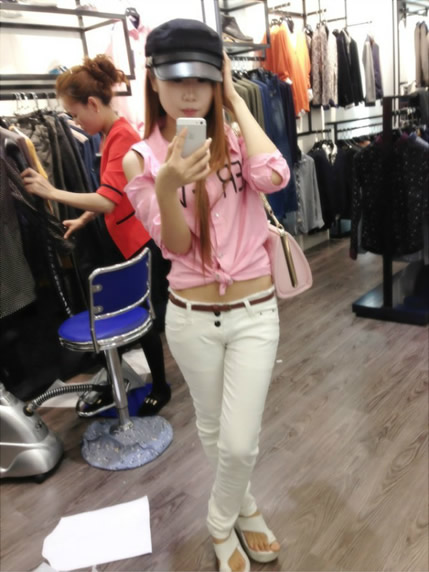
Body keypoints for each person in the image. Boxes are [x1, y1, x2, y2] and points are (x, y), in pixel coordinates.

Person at [122, 19, 290, 572]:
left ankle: (218, 523)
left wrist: (236, 102)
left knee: (241, 443)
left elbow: (277, 177)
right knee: (216, 432)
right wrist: (167, 185)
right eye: (176, 78)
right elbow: (175, 246)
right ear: (154, 80)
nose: (189, 91)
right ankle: (245, 509)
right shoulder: (140, 158)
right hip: (192, 318)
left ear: (218, 78)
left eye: (202, 77)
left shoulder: (237, 139)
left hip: (254, 313)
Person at [21, 54, 171, 417]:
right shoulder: (110, 135)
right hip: (122, 240)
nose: (75, 123)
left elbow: (109, 199)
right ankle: (117, 382)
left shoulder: (123, 138)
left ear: (92, 103)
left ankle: (161, 386)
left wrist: (52, 192)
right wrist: (85, 218)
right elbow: (116, 193)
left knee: (144, 317)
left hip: (138, 244)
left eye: (75, 115)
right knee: (127, 312)